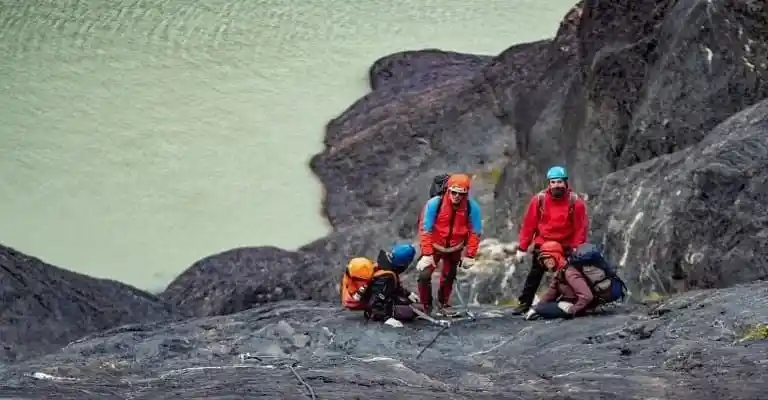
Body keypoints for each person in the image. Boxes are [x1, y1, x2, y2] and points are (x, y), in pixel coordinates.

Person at [511, 165, 589, 315]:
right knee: (535, 275)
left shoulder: (575, 202)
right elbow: (529, 225)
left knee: (569, 275)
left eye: (559, 182)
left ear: (565, 182)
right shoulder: (539, 200)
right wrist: (522, 248)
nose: (556, 185)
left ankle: (573, 302)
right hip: (544, 245)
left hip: (565, 246)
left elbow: (580, 227)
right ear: (549, 183)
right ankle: (525, 303)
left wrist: (576, 247)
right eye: (553, 182)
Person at [416, 173, 482, 316]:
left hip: (455, 248)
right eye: (454, 192)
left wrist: (470, 255)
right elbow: (425, 228)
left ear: (465, 194)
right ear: (447, 189)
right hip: (434, 246)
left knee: (449, 276)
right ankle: (426, 305)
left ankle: (442, 303)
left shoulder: (472, 208)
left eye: (461, 193)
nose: (457, 196)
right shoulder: (434, 204)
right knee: (424, 275)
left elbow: (475, 232)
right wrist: (427, 254)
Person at [340, 243, 421, 327]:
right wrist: (386, 318)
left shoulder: (386, 265)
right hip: (375, 306)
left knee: (410, 305)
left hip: (379, 298)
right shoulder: (387, 277)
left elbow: (393, 287)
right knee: (411, 312)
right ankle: (372, 314)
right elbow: (376, 300)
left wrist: (408, 294)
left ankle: (378, 311)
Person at [522, 241, 595, 320]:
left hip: (576, 307)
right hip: (571, 304)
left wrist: (573, 310)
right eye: (544, 259)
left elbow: (587, 296)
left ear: (557, 256)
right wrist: (534, 309)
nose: (546, 261)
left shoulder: (569, 272)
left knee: (541, 309)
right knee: (540, 307)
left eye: (549, 257)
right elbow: (550, 294)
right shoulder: (559, 272)